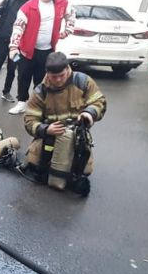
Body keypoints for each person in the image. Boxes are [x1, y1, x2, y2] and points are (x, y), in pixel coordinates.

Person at [22, 52, 106, 187]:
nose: (59, 80)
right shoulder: (40, 91)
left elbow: (99, 101)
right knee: (33, 163)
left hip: (77, 137)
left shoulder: (83, 81)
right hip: (49, 138)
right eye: (54, 77)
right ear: (47, 73)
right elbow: (30, 120)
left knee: (85, 170)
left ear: (67, 69)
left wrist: (89, 114)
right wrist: (46, 129)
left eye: (62, 75)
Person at [8, 0, 76, 115]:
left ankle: (38, 104)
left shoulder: (62, 3)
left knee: (43, 79)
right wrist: (14, 47)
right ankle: (21, 103)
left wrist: (67, 30)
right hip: (28, 50)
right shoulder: (28, 7)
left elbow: (71, 15)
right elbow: (18, 27)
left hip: (48, 50)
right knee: (23, 77)